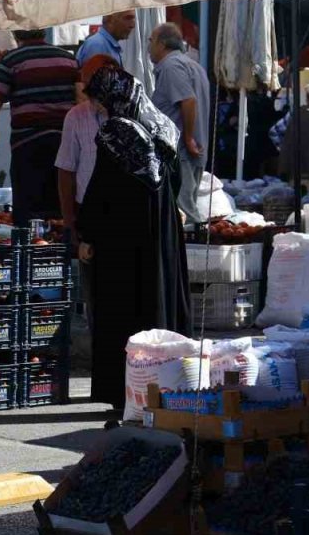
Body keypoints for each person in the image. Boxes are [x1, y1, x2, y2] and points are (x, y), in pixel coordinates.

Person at [76, 62, 191, 409]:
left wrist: (87, 234)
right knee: (159, 304)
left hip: (123, 240)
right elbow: (176, 181)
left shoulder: (116, 132)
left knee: (124, 314)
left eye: (98, 100)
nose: (97, 108)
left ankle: (127, 396)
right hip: (163, 232)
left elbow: (100, 190)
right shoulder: (163, 126)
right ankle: (168, 390)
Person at [0, 29, 79, 228]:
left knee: (28, 215)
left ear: (15, 32)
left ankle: (34, 252)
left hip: (27, 147)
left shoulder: (10, 61)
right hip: (64, 147)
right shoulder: (68, 60)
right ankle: (60, 251)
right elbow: (80, 104)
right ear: (45, 32)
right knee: (62, 208)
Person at [56, 55, 111, 339]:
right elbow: (66, 171)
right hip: (90, 215)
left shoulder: (133, 112)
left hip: (123, 215)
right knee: (95, 293)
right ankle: (100, 345)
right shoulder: (76, 117)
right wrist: (69, 222)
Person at [148, 22, 210, 224]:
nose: (149, 46)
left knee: (183, 213)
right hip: (191, 151)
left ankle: (193, 253)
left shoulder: (170, 66)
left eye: (151, 41)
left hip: (181, 152)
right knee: (185, 207)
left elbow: (188, 100)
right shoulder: (194, 66)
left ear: (162, 43)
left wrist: (188, 138)